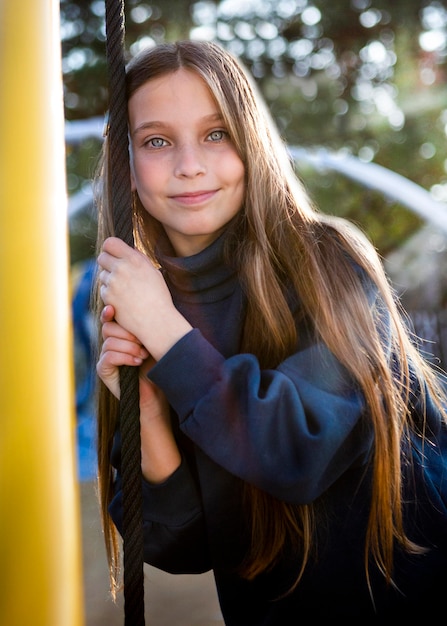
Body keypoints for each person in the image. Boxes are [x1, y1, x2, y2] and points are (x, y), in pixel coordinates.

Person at [94, 40, 447, 621]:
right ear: (125, 165)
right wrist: (151, 413)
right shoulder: (143, 304)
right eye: (157, 141)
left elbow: (299, 450)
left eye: (216, 134)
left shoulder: (328, 263)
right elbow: (185, 550)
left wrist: (168, 333)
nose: (190, 164)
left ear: (251, 144)